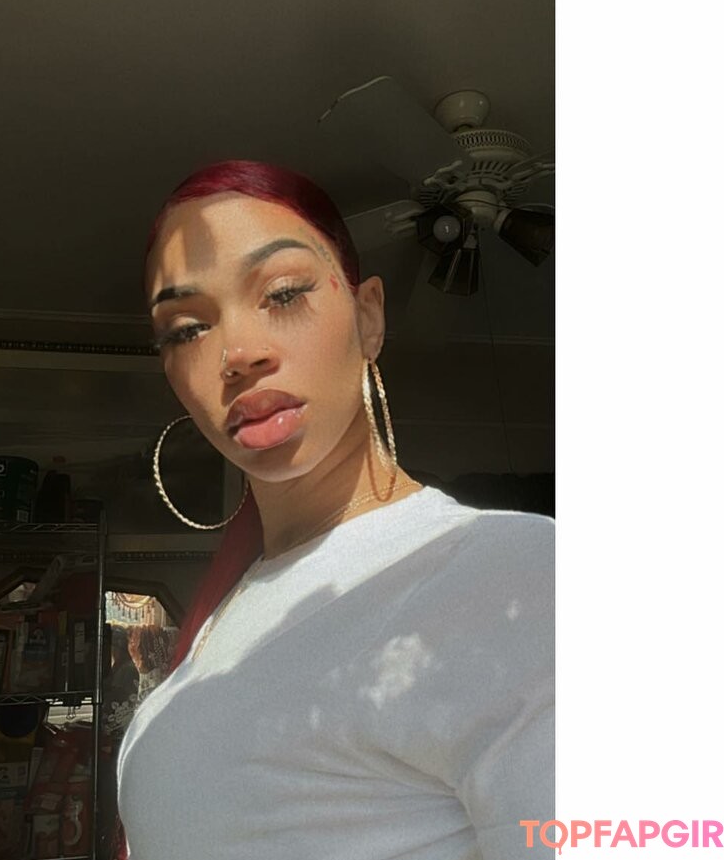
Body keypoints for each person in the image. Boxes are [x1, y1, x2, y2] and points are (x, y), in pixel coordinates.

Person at [114, 160, 554, 859]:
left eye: (283, 293)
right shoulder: (230, 606)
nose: (237, 354)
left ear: (368, 316)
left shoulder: (518, 577)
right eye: (187, 328)